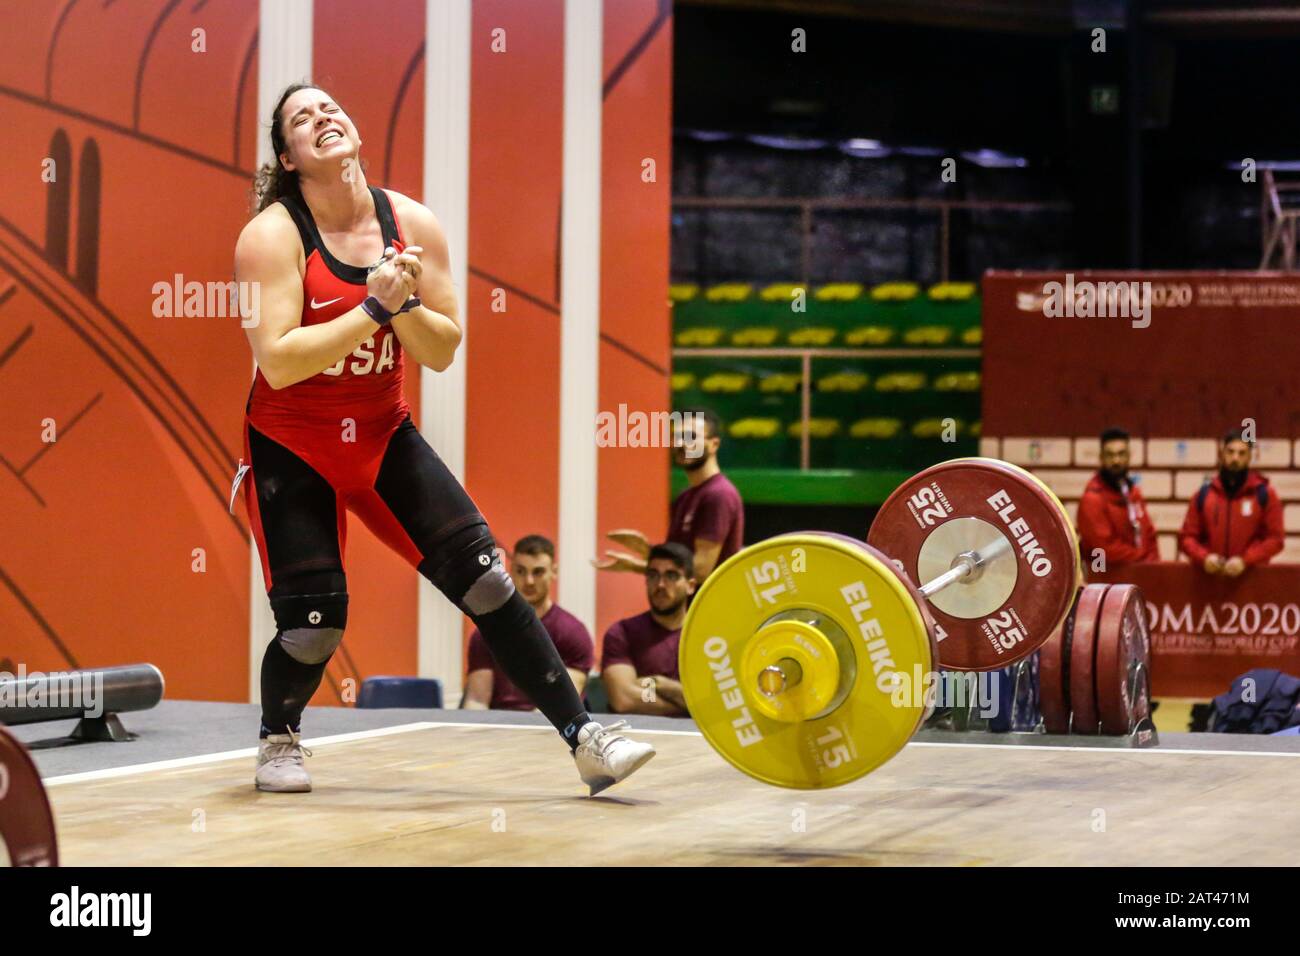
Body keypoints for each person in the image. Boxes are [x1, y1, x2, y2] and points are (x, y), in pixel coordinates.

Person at [233, 83, 652, 795]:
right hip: (292, 445)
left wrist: (402, 306)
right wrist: (374, 305)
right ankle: (279, 740)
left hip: (382, 432)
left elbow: (442, 349)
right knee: (314, 628)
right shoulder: (271, 235)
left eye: (331, 106)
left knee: (488, 581)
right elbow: (278, 360)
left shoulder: (413, 222)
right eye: (303, 118)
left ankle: (586, 738)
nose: (323, 117)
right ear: (289, 157)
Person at [594, 408, 743, 584]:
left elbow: (701, 571)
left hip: (707, 609)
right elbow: (680, 560)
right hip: (683, 609)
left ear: (714, 445)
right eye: (677, 437)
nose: (681, 443)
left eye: (691, 437)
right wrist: (648, 553)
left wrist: (637, 566)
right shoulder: (685, 496)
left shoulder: (719, 495)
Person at [462, 535, 594, 710]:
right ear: (510, 571)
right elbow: (477, 700)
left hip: (550, 728)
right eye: (521, 571)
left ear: (553, 572)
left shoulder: (572, 632)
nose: (529, 581)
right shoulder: (487, 631)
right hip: (497, 727)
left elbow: (561, 703)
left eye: (538, 572)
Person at [600, 543, 695, 717]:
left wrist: (658, 683)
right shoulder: (622, 633)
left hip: (698, 739)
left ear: (690, 585)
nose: (660, 585)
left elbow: (719, 701)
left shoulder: (708, 637)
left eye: (671, 576)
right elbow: (624, 699)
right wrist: (695, 706)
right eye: (653, 575)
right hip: (639, 738)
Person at [1178, 428, 1284, 577]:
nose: (1235, 458)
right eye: (1230, 452)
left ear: (1249, 457)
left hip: (1252, 583)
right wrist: (1204, 558)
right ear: (1221, 454)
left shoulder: (1265, 494)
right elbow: (1187, 538)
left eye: (1241, 453)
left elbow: (1275, 539)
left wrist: (1245, 561)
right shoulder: (1203, 494)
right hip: (1208, 583)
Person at [1076, 427, 1158, 569]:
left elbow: (1149, 534)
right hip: (1103, 581)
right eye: (1110, 455)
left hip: (1136, 576)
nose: (1116, 460)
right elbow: (1104, 549)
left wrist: (1153, 567)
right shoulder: (1092, 499)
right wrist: (1144, 558)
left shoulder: (1133, 493)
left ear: (1129, 456)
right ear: (1101, 458)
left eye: (1121, 454)